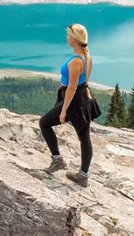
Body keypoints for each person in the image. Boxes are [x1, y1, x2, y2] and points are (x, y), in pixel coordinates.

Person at [39, 23, 101, 187]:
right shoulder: (85, 57)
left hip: (74, 101)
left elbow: (72, 88)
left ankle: (58, 161)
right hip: (83, 100)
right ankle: (83, 175)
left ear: (75, 39)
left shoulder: (76, 61)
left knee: (44, 123)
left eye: (68, 35)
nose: (66, 37)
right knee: (84, 138)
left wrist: (63, 110)